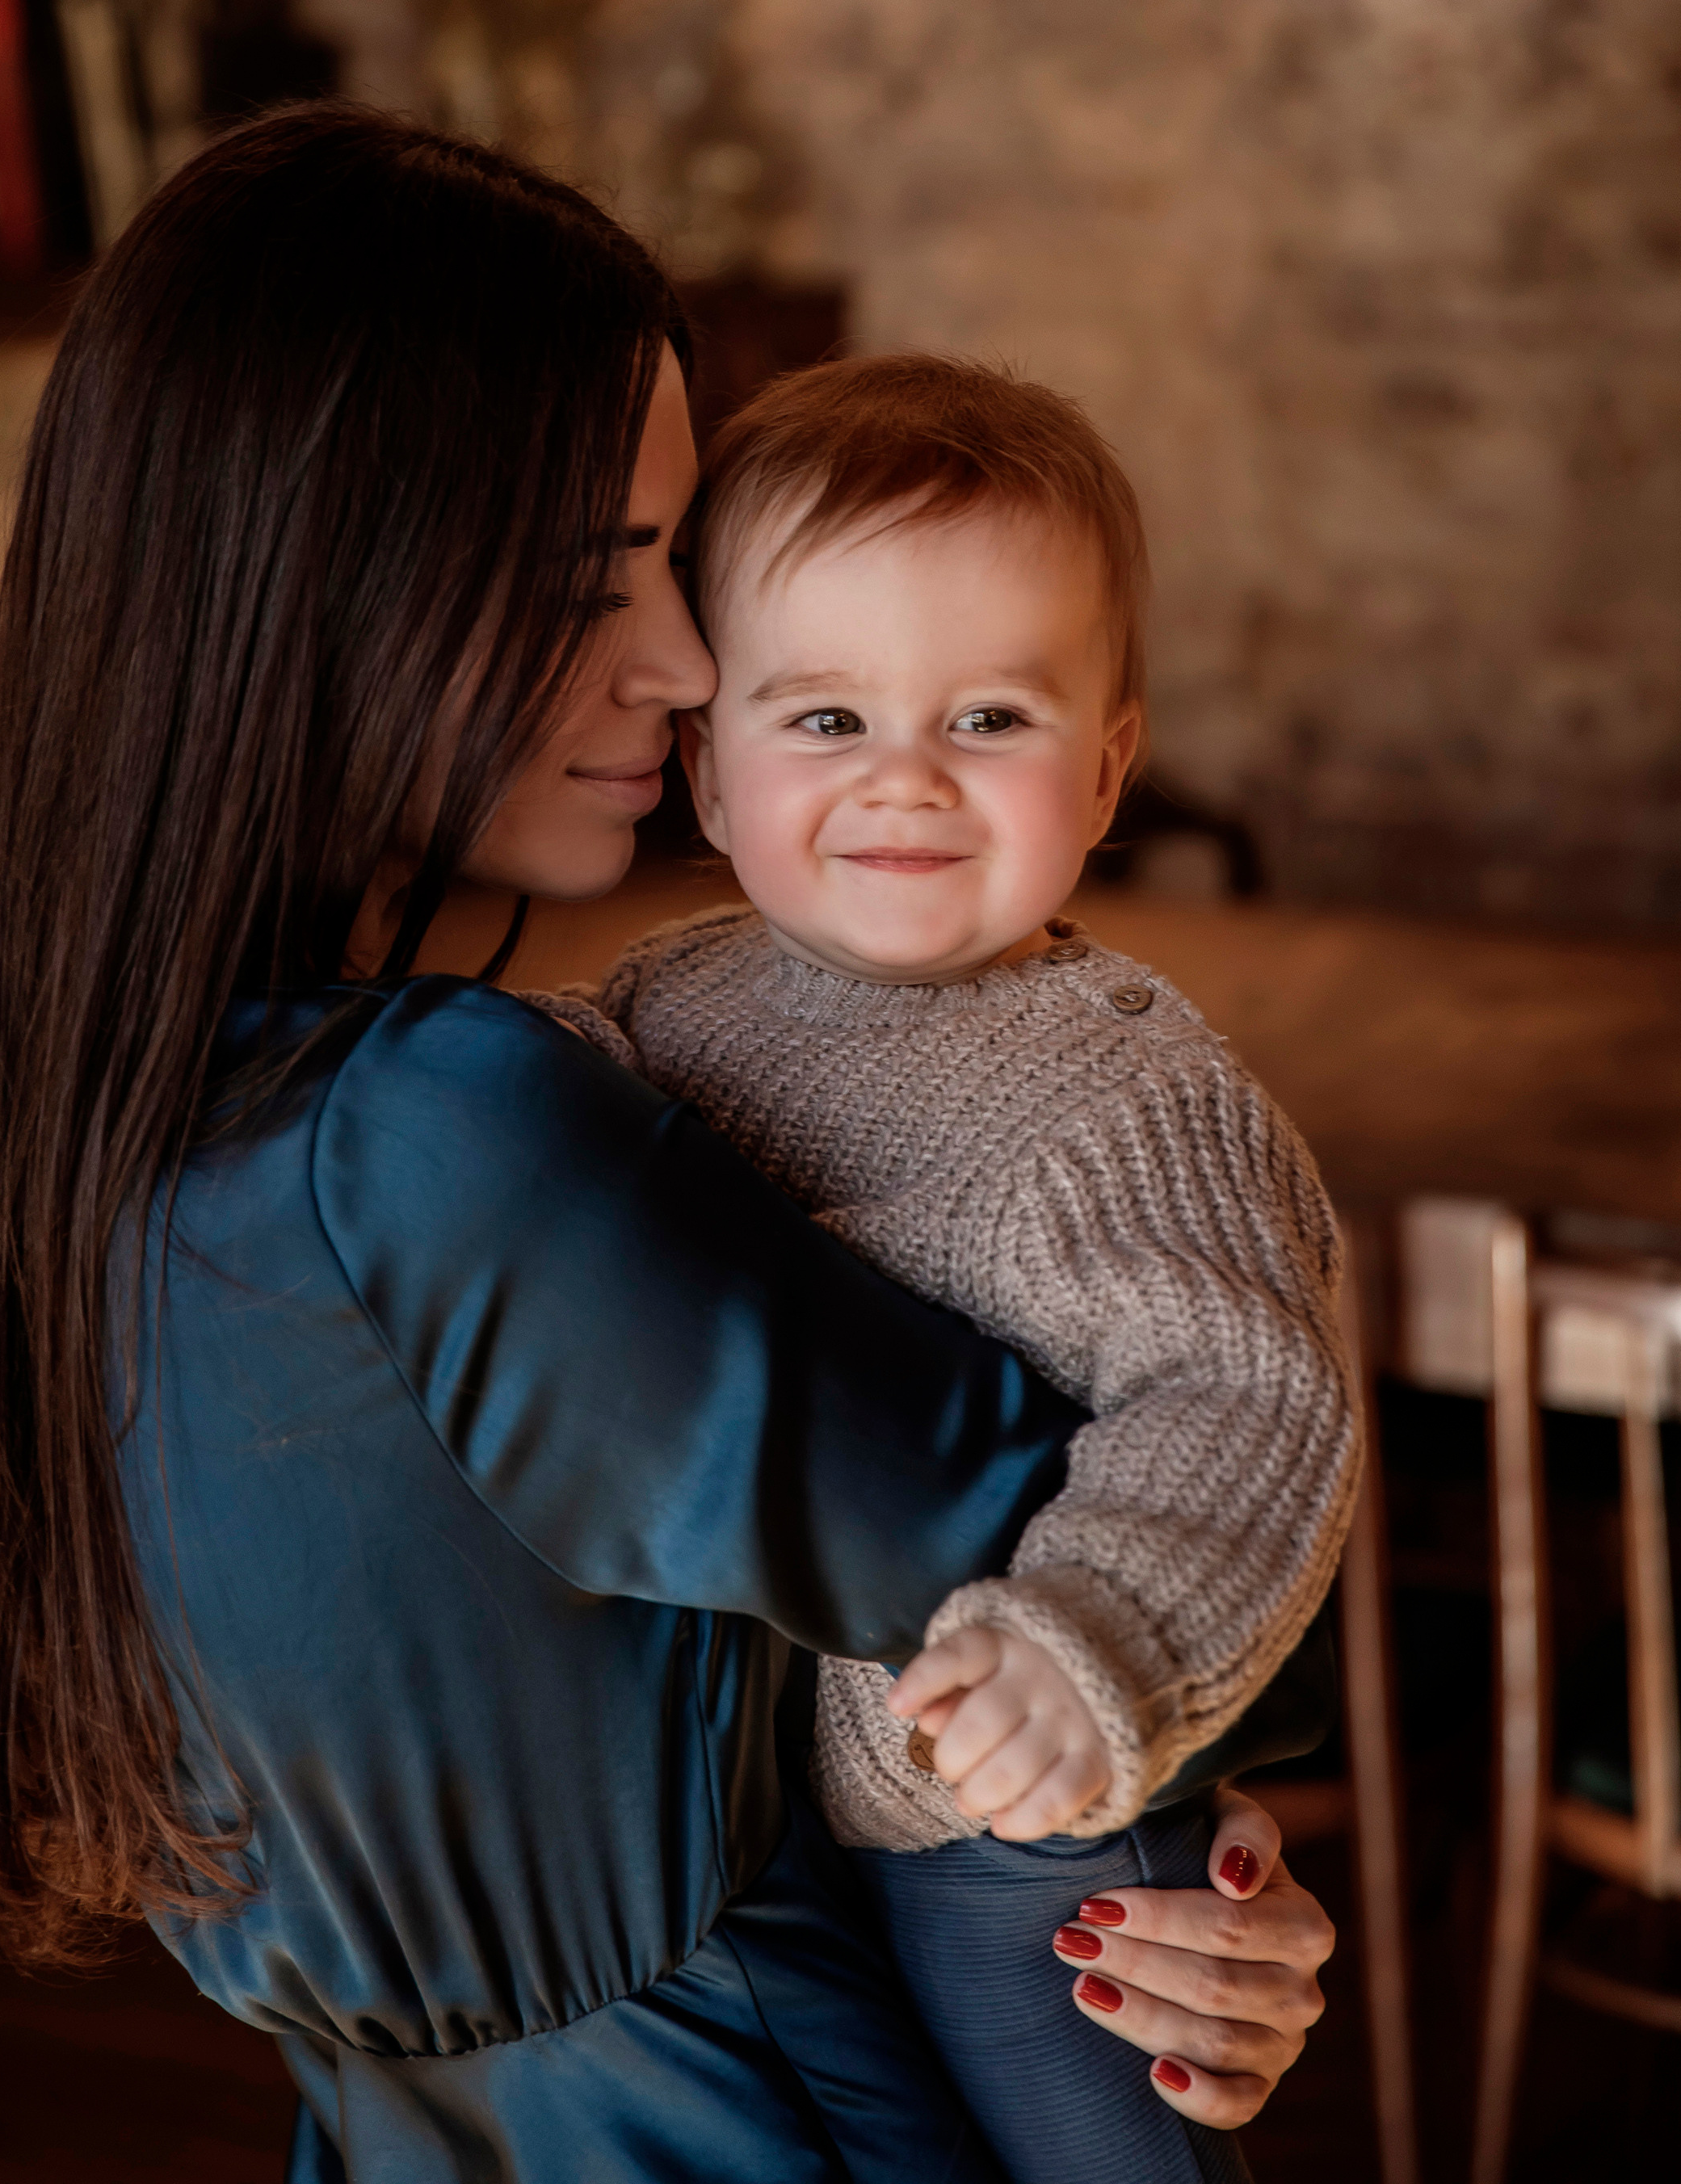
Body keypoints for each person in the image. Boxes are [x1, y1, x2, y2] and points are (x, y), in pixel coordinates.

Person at [0, 105, 1335, 2184]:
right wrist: (1171, 1826)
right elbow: (1039, 1529)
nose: (687, 668)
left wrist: (1138, 1832)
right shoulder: (444, 1133)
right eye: (600, 580)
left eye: (675, 576)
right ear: (339, 586)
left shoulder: (110, 1138)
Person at [540, 352, 1360, 2183]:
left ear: (1109, 767)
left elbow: (1247, 1402)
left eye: (989, 717)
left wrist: (1097, 1648)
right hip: (742, 1837)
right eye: (826, 717)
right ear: (707, 769)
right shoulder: (653, 1014)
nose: (903, 777)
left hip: (1021, 1827)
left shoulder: (1134, 1103)